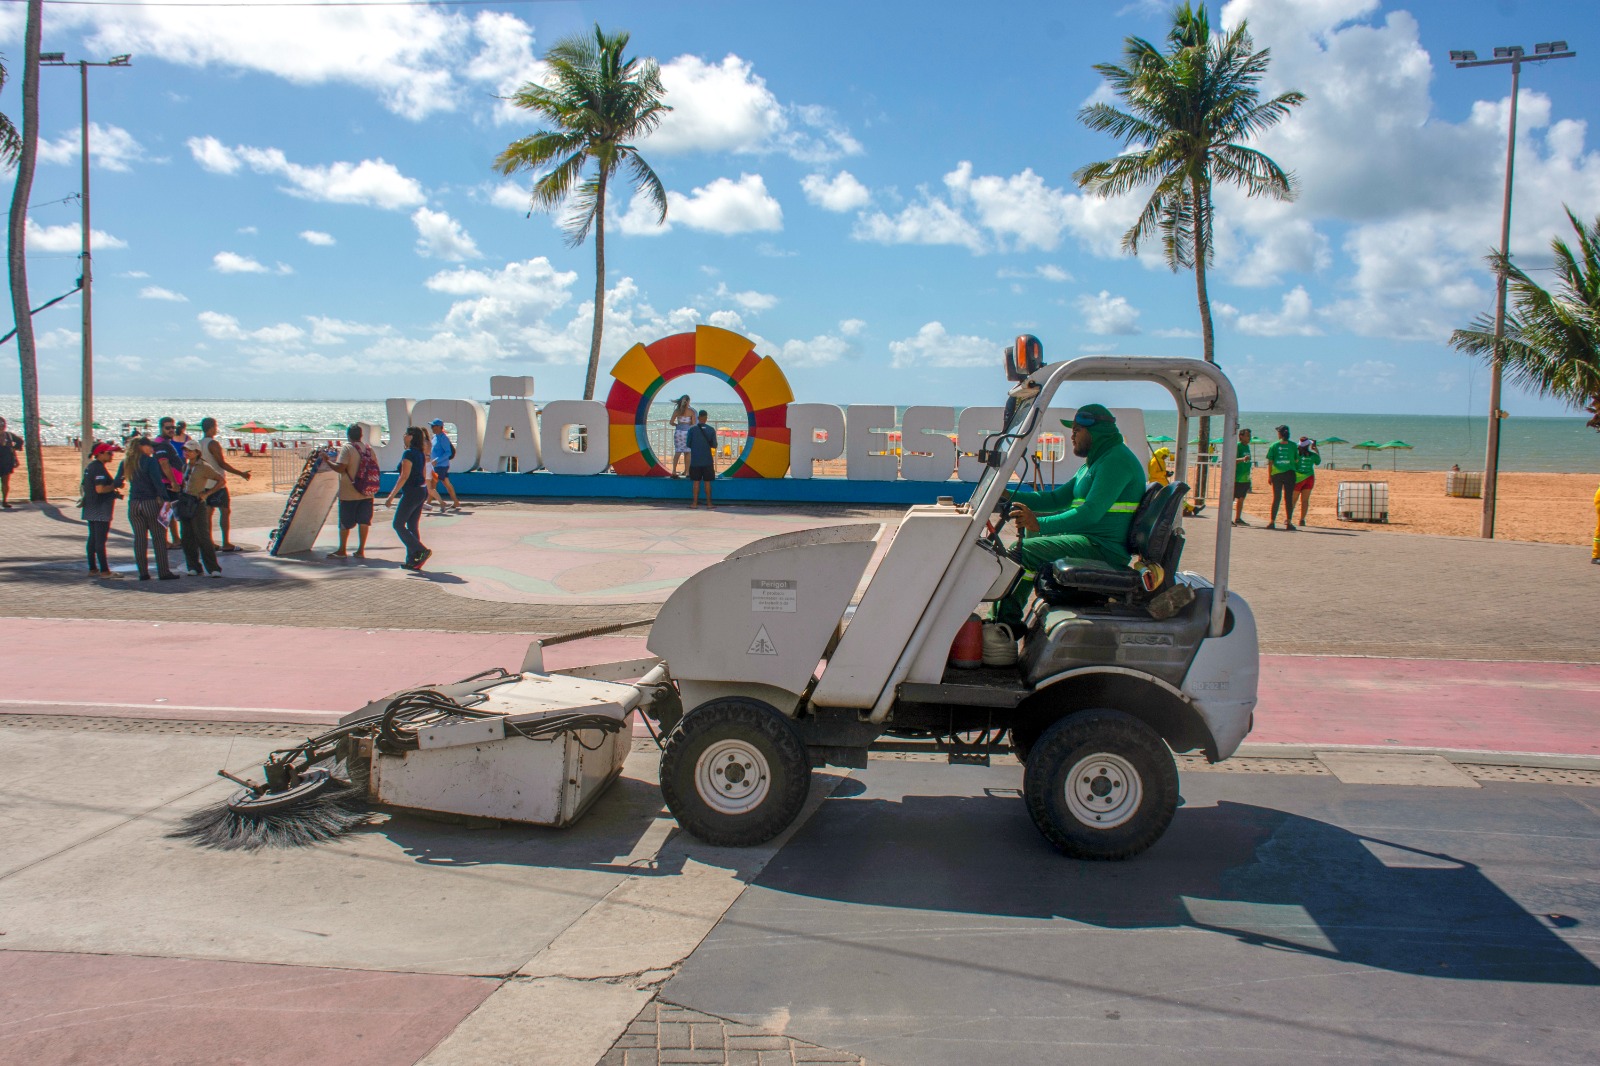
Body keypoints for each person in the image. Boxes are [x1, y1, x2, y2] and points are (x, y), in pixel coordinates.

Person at [995, 404, 1146, 627]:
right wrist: (1007, 493)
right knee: (1028, 539)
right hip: (1089, 541)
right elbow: (1055, 499)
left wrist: (1040, 523)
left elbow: (1090, 513)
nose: (1072, 436)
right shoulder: (1094, 464)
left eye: (1077, 430)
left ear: (1097, 432)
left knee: (1023, 552)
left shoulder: (1115, 461)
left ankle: (1003, 625)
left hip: (1103, 548)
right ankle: (1004, 621)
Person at [122, 436, 179, 581]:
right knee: (159, 537)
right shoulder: (150, 461)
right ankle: (163, 571)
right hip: (150, 502)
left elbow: (118, 480)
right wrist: (166, 499)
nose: (152, 449)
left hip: (134, 503)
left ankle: (143, 572)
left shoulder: (126, 462)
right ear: (141, 446)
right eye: (150, 446)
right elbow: (157, 482)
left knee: (140, 539)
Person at [198, 417, 252, 551]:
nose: (216, 429)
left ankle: (209, 542)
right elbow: (221, 463)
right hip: (217, 484)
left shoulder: (198, 443)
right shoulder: (213, 444)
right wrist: (241, 473)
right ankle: (226, 542)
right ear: (211, 428)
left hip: (204, 483)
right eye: (215, 427)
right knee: (225, 511)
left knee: (208, 514)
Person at [384, 426, 431, 570]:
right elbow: (423, 474)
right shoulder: (420, 453)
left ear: (411, 437)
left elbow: (404, 476)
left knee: (398, 524)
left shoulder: (409, 454)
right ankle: (413, 559)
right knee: (412, 526)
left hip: (411, 492)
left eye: (406, 434)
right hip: (420, 491)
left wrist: (391, 496)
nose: (403, 436)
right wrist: (425, 491)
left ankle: (420, 550)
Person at [328, 424, 378, 558]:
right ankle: (361, 550)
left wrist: (327, 461)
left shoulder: (348, 448)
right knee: (364, 521)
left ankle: (342, 549)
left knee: (345, 522)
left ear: (348, 435)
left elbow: (340, 468)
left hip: (349, 492)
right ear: (361, 435)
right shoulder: (368, 449)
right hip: (367, 492)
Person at [176, 438, 223, 577]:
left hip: (197, 502)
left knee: (202, 536)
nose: (187, 453)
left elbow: (220, 480)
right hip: (185, 502)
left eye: (190, 451)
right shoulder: (185, 467)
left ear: (197, 452)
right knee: (187, 536)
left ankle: (213, 567)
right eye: (185, 450)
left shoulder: (204, 466)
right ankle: (193, 565)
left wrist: (207, 493)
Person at [80, 442, 123, 578]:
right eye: (109, 453)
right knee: (100, 541)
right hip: (100, 507)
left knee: (92, 539)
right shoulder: (98, 468)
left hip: (91, 507)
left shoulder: (91, 467)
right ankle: (104, 571)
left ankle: (93, 568)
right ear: (100, 454)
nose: (112, 455)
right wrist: (114, 485)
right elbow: (100, 489)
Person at [1265, 424, 1299, 531]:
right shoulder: (1293, 445)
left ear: (1279, 434)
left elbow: (1270, 462)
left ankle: (1272, 522)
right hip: (1290, 473)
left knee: (1277, 497)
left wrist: (1269, 476)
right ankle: (1288, 522)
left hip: (1277, 474)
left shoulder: (1274, 446)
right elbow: (1296, 460)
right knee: (1288, 498)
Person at [685, 410, 718, 508]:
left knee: (696, 482)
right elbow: (714, 445)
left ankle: (694, 504)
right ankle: (709, 504)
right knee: (707, 483)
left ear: (699, 418)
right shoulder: (711, 430)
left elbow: (688, 444)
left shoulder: (692, 430)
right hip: (707, 460)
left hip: (695, 460)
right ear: (706, 418)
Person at [428, 418, 460, 514]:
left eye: (433, 426)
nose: (432, 428)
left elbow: (448, 452)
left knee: (432, 484)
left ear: (439, 427)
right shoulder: (435, 437)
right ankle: (455, 501)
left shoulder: (443, 438)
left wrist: (437, 460)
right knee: (445, 483)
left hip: (441, 466)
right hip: (437, 466)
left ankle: (428, 503)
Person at [1293, 436, 1321, 527]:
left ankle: (1288, 518)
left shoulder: (1296, 455)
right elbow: (1318, 462)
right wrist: (1316, 449)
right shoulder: (1313, 455)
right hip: (1309, 478)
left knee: (1293, 500)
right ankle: (1302, 519)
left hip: (1298, 479)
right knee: (1305, 500)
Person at [669, 395, 694, 477]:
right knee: (688, 452)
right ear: (688, 402)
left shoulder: (677, 411)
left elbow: (671, 422)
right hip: (687, 433)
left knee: (678, 452)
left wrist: (677, 425)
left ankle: (674, 471)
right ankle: (687, 472)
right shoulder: (691, 411)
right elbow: (693, 423)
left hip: (679, 432)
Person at [1233, 428, 1253, 526]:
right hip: (1236, 477)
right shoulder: (1238, 446)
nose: (1249, 438)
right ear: (1241, 436)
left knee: (1241, 499)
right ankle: (1227, 519)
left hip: (1245, 477)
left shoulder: (1247, 447)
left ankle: (1238, 518)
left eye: (1250, 436)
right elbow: (1232, 459)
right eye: (1247, 435)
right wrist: (1242, 459)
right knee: (1231, 498)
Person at [0, 416, 21, 508]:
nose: (2, 427)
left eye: (2, 425)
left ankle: (4, 501)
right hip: (6, 460)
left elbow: (20, 441)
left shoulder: (9, 435)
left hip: (6, 461)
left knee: (5, 482)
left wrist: (13, 451)